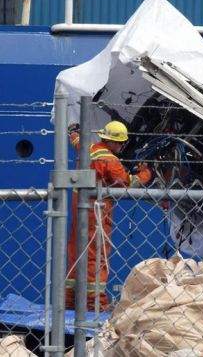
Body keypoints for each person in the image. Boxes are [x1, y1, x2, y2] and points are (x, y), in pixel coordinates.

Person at [65, 120, 152, 311]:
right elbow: (128, 183)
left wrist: (72, 132)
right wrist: (146, 172)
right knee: (97, 257)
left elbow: (76, 140)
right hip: (96, 211)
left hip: (78, 205)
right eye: (120, 143)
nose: (122, 147)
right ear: (112, 141)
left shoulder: (88, 147)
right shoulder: (110, 160)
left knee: (75, 253)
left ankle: (69, 302)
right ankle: (95, 304)